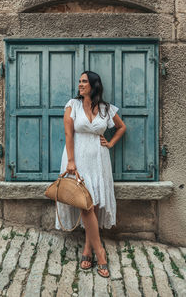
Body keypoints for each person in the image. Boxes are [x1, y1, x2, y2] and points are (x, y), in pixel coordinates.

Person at [55, 71, 126, 278]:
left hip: (99, 160)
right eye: (79, 81)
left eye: (84, 81)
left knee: (92, 205)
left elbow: (121, 127)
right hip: (77, 159)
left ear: (94, 85)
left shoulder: (106, 108)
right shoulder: (72, 105)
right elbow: (68, 133)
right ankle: (100, 253)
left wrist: (110, 143)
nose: (80, 85)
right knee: (85, 205)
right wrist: (70, 161)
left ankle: (87, 250)